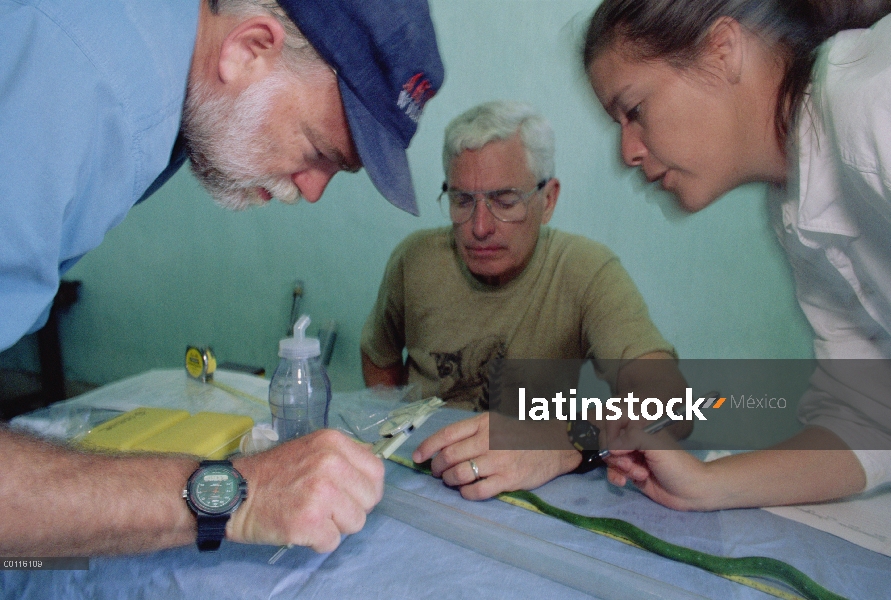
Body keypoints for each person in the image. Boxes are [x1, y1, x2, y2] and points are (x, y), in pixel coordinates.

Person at [0, 0, 443, 555]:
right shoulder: (89, 80)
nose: (311, 191)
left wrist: (558, 433)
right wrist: (230, 494)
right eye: (318, 152)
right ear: (249, 49)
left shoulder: (164, 92)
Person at [583, 0, 891, 510]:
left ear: (722, 51)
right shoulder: (795, 209)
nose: (627, 152)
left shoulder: (873, 99)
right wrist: (706, 484)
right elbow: (870, 421)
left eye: (634, 110)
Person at [361, 100, 689, 500]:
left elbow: (671, 404)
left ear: (547, 200)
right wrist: (395, 431)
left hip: (536, 490)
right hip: (422, 481)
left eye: (505, 201)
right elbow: (378, 356)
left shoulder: (586, 270)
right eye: (462, 201)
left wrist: (564, 439)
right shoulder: (415, 261)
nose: (479, 227)